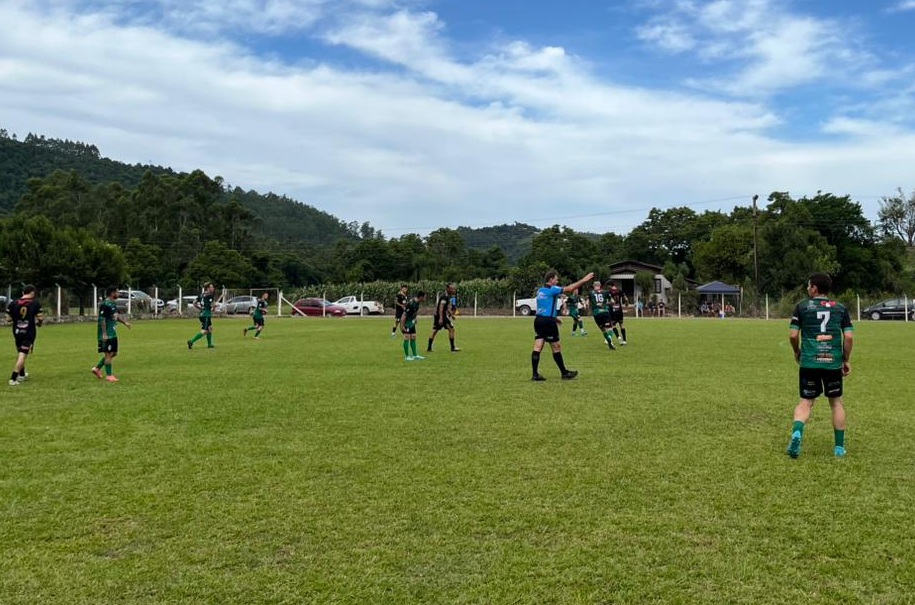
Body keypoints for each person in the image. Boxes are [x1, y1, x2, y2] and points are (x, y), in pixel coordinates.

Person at [786, 273, 854, 459]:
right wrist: (845, 359)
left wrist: (797, 351)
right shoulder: (840, 308)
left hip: (809, 361)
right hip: (832, 363)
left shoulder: (802, 307)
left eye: (809, 286)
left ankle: (797, 432)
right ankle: (839, 448)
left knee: (806, 402)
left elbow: (793, 335)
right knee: (836, 403)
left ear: (814, 288)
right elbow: (849, 336)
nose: (807, 288)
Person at [531, 270, 595, 381]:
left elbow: (544, 306)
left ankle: (535, 374)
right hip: (548, 322)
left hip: (539, 320)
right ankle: (564, 373)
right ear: (551, 279)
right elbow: (569, 289)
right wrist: (584, 280)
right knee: (556, 346)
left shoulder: (540, 291)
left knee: (538, 346)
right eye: (556, 279)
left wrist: (554, 318)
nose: (557, 281)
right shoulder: (553, 289)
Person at [92, 285, 132, 382]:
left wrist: (125, 323)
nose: (119, 294)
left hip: (112, 332)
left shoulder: (113, 304)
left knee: (113, 353)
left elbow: (116, 316)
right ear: (112, 293)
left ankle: (97, 368)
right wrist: (104, 334)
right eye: (117, 292)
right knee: (109, 353)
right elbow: (102, 319)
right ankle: (109, 376)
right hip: (107, 334)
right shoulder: (105, 304)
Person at [6, 284, 43, 386]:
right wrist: (39, 323)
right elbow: (40, 318)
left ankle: (22, 375)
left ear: (23, 292)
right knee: (23, 354)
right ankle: (13, 378)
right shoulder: (35, 303)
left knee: (20, 352)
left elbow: (8, 319)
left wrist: (17, 319)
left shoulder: (13, 303)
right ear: (32, 293)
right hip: (28, 332)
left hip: (17, 331)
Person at [427, 283, 459, 352]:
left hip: (441, 316)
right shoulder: (444, 297)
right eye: (452, 289)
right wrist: (441, 318)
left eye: (454, 289)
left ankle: (429, 348)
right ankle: (452, 347)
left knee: (437, 330)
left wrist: (452, 315)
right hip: (441, 316)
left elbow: (446, 307)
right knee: (450, 329)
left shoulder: (447, 296)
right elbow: (441, 308)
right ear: (447, 289)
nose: (453, 290)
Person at [587, 281, 617, 351]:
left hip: (596, 313)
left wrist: (589, 311)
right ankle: (610, 340)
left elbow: (587, 303)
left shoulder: (590, 293)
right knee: (609, 328)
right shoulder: (605, 292)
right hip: (604, 312)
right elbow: (613, 301)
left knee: (603, 329)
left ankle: (609, 341)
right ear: (600, 286)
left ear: (593, 286)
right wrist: (607, 303)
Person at [187, 282, 217, 349]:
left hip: (202, 314)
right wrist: (214, 306)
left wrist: (200, 308)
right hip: (206, 315)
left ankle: (210, 344)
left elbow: (194, 303)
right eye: (211, 287)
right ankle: (191, 341)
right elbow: (212, 305)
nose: (213, 288)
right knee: (205, 331)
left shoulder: (201, 295)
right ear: (208, 288)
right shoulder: (210, 295)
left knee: (210, 328)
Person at [400, 290, 427, 361]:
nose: (425, 299)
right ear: (421, 297)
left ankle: (415, 355)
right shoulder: (411, 303)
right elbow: (404, 315)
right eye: (424, 297)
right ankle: (407, 356)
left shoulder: (417, 303)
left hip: (411, 322)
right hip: (406, 323)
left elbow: (415, 311)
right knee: (406, 337)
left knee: (413, 337)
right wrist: (402, 326)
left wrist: (415, 319)